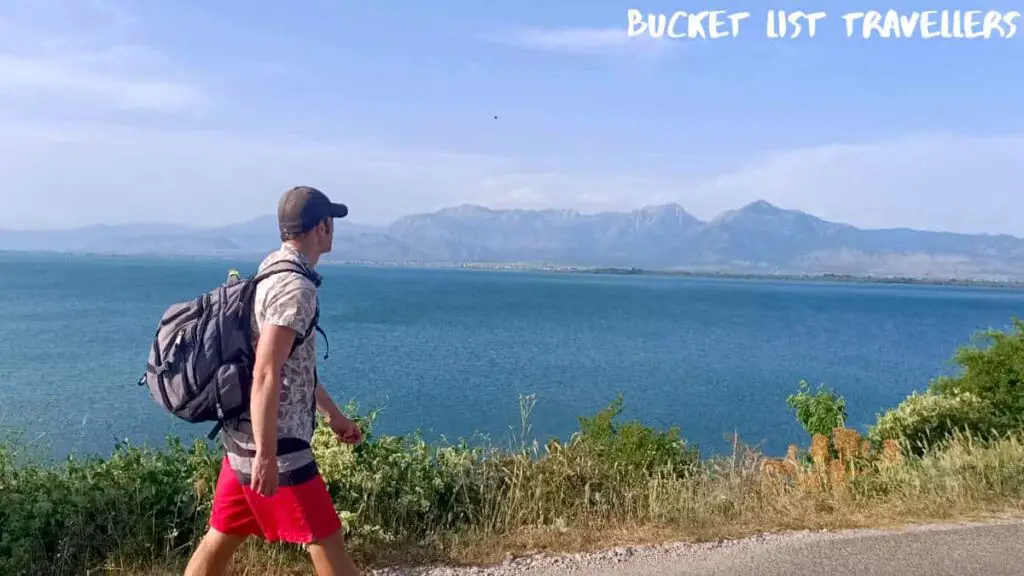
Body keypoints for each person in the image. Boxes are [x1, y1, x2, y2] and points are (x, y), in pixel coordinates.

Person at [185, 186, 362, 576]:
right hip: (278, 448)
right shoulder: (295, 289)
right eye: (330, 222)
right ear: (322, 226)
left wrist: (333, 415)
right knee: (327, 541)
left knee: (220, 536)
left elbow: (289, 367)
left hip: (241, 438)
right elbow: (266, 370)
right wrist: (267, 454)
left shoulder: (270, 269)